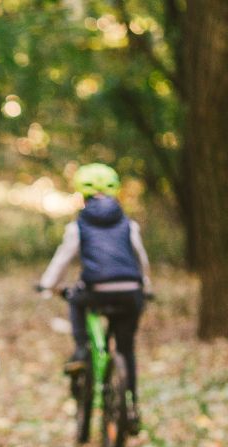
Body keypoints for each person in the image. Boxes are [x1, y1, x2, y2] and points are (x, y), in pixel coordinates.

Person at [36, 162, 150, 433]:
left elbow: (63, 259)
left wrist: (47, 286)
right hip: (131, 291)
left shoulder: (79, 225)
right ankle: (131, 406)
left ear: (81, 194)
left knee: (75, 299)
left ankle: (82, 349)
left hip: (96, 291)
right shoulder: (128, 224)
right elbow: (141, 259)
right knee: (125, 349)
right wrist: (146, 285)